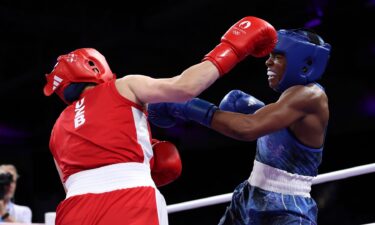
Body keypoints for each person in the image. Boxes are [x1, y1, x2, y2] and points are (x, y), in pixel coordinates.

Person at [43, 16, 277, 225]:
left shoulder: (56, 130)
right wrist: (233, 47)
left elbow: (71, 184)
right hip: (128, 198)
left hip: (73, 210)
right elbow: (186, 87)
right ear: (95, 65)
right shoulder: (123, 86)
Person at [148, 28, 331, 224]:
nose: (268, 61)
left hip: (287, 207)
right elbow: (276, 132)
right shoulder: (289, 101)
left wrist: (187, 106)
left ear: (305, 64)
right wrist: (256, 108)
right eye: (270, 55)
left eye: (277, 56)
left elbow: (248, 129)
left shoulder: (311, 95)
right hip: (249, 195)